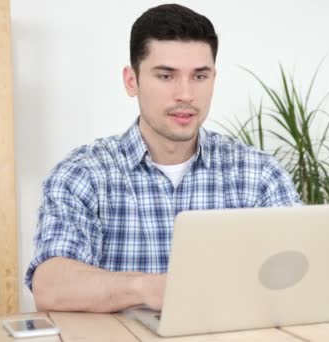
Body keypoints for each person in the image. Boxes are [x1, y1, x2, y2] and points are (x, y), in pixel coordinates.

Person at [26, 4, 301, 313]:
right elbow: (50, 287)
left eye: (199, 75)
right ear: (132, 81)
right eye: (166, 76)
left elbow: (304, 271)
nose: (185, 94)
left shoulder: (259, 174)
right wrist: (146, 288)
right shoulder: (83, 174)